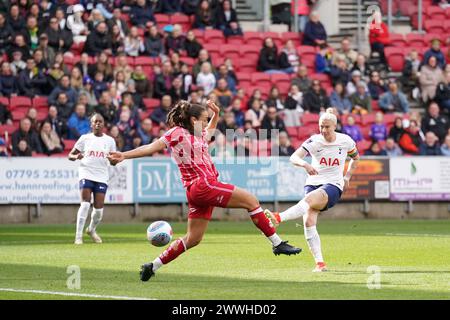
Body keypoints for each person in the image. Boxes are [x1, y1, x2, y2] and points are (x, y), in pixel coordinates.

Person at [107, 100, 301, 281]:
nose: (207, 123)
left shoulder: (197, 135)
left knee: (193, 239)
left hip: (196, 192)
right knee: (251, 200)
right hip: (203, 184)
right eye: (204, 119)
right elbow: (151, 147)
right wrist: (123, 155)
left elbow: (210, 130)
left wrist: (216, 114)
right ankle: (277, 244)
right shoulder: (177, 133)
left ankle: (152, 266)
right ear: (193, 120)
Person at [264, 108, 360, 272]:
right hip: (313, 182)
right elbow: (294, 157)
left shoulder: (346, 141)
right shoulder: (314, 141)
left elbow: (356, 158)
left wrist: (347, 177)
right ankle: (320, 264)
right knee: (308, 222)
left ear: (335, 126)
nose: (323, 130)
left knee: (308, 201)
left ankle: (279, 217)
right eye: (321, 126)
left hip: (333, 185)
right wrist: (305, 164)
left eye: (327, 127)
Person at [68, 114, 117, 245]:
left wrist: (113, 161)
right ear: (91, 124)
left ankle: (91, 229)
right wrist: (75, 156)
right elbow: (70, 155)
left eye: (100, 122)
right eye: (95, 122)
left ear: (104, 124)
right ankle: (78, 237)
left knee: (99, 212)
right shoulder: (85, 138)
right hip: (86, 173)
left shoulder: (110, 141)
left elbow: (114, 161)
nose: (98, 124)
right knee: (85, 204)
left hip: (101, 176)